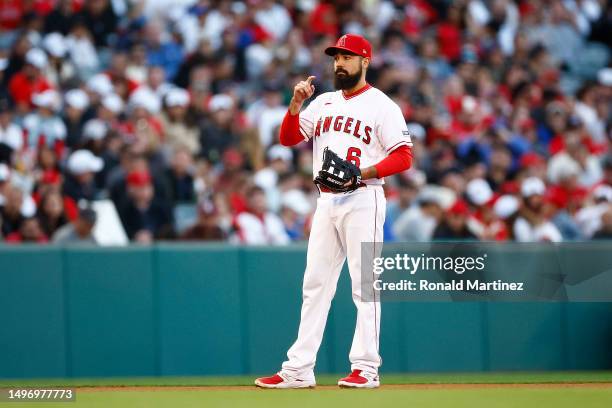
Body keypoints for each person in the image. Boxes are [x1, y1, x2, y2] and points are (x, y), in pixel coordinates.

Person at [255, 34, 413, 389]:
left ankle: (366, 368)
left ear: (365, 62)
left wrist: (365, 172)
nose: (339, 63)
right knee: (315, 285)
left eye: (347, 57)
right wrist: (295, 105)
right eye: (336, 57)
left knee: (365, 286)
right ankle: (298, 369)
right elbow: (288, 138)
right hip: (327, 200)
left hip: (364, 198)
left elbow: (404, 156)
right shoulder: (323, 102)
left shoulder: (382, 105)